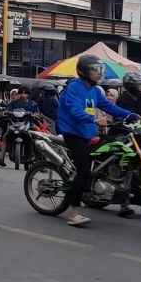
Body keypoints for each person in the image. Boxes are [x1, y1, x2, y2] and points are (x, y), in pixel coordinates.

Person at [56, 55, 133, 226]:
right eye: (95, 70)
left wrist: (130, 115)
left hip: (88, 133)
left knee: (112, 150)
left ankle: (97, 190)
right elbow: (75, 110)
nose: (99, 73)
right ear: (84, 71)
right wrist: (94, 120)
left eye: (100, 70)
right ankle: (73, 212)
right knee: (83, 170)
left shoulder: (94, 90)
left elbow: (108, 106)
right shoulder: (74, 88)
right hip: (73, 133)